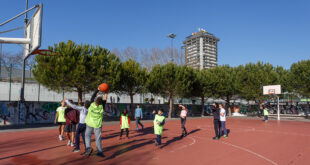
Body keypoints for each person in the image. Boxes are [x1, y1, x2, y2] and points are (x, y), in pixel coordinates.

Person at [84, 89, 107, 157]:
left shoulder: (91, 104)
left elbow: (93, 95)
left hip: (89, 123)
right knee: (98, 138)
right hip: (97, 124)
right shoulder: (102, 106)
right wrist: (106, 91)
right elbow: (105, 98)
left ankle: (88, 147)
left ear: (95, 100)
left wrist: (98, 89)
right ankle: (99, 152)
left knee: (87, 136)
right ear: (101, 101)